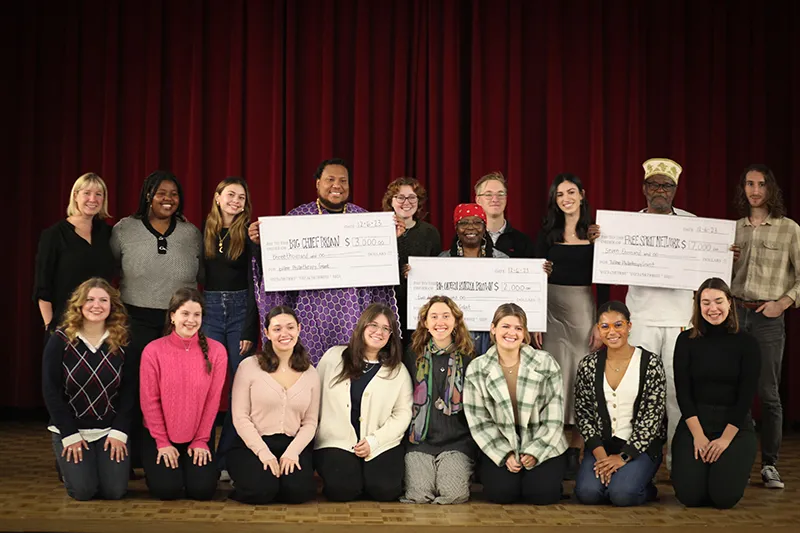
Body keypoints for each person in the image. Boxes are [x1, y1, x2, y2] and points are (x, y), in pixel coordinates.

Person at [248, 158, 402, 364]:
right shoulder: (296, 218)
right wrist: (261, 243)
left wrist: (391, 240)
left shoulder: (364, 219)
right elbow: (277, 268)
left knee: (348, 371)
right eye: (330, 179)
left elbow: (379, 272)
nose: (337, 185)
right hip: (308, 313)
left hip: (352, 313)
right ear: (318, 183)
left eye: (343, 181)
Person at [594, 158, 693, 473]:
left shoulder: (692, 223)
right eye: (654, 185)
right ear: (644, 189)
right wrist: (600, 239)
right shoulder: (625, 225)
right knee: (638, 393)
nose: (660, 191)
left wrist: (724, 253)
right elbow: (606, 261)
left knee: (678, 393)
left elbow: (708, 264)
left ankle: (680, 462)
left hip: (680, 319)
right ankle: (640, 461)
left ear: (675, 190)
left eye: (666, 185)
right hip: (642, 319)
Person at [111, 171, 203, 467]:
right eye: (161, 192)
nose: (168, 199)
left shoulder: (191, 233)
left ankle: (167, 453)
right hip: (135, 318)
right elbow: (108, 269)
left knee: (173, 388)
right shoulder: (125, 229)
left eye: (174, 194)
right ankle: (132, 456)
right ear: (147, 195)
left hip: (178, 323)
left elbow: (202, 275)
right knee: (136, 386)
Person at [533, 173, 609, 479]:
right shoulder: (546, 234)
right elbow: (535, 280)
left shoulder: (595, 236)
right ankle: (556, 449)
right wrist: (536, 318)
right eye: (560, 194)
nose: (566, 198)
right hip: (550, 312)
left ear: (582, 194)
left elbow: (602, 281)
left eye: (571, 192)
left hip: (582, 312)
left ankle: (577, 451)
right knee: (554, 379)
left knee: (580, 379)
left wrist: (600, 322)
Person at [730, 164, 798, 489]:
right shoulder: (734, 230)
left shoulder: (789, 230)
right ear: (743, 189)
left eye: (761, 184)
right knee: (737, 391)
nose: (755, 190)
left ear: (770, 189)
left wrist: (782, 304)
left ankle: (769, 464)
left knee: (768, 394)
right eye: (749, 184)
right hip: (736, 314)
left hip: (769, 318)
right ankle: (741, 460)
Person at [463, 303, 568, 505]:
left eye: (518, 328)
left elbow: (554, 417)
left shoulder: (545, 362)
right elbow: (479, 422)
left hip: (542, 441)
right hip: (500, 444)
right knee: (501, 494)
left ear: (524, 333)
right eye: (505, 326)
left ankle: (546, 480)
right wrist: (506, 453)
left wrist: (535, 451)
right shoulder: (477, 368)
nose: (512, 333)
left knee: (541, 495)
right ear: (493, 329)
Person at [42, 278, 134, 501]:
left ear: (112, 305)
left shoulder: (123, 340)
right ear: (79, 304)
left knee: (114, 492)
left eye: (103, 300)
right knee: (83, 492)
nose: (96, 305)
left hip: (108, 430)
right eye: (90, 300)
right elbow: (50, 390)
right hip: (73, 430)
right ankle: (69, 467)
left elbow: (130, 390)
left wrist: (119, 431)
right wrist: (69, 434)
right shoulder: (60, 339)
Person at [672, 278, 760, 509]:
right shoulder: (685, 340)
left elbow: (746, 397)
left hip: (734, 425)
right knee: (690, 497)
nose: (713, 309)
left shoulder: (747, 343)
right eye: (706, 302)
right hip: (695, 423)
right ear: (698, 306)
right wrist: (699, 437)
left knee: (723, 498)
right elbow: (683, 393)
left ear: (730, 303)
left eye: (719, 301)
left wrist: (724, 440)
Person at [314, 303, 412, 502]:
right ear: (362, 326)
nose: (379, 332)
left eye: (386, 328)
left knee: (385, 491)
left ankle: (366, 477)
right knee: (343, 491)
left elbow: (402, 414)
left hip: (381, 443)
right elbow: (314, 398)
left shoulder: (397, 370)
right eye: (373, 325)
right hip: (337, 442)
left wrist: (374, 441)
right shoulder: (334, 357)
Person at [573, 301, 666, 507]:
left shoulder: (650, 363)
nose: (612, 331)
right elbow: (583, 413)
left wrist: (623, 457)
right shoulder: (588, 365)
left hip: (639, 447)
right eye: (605, 326)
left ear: (629, 326)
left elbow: (652, 418)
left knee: (622, 495)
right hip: (602, 446)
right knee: (588, 493)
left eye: (618, 325)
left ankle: (644, 486)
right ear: (598, 329)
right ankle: (622, 478)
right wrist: (602, 457)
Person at [139, 288, 226, 500]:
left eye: (197, 314)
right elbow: (149, 402)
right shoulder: (153, 350)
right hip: (159, 436)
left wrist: (201, 440)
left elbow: (213, 402)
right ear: (172, 316)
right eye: (185, 313)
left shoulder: (216, 351)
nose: (191, 320)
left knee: (202, 491)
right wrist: (162, 442)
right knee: (167, 490)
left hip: (197, 436)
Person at [227, 306, 320, 504]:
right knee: (261, 492)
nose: (284, 334)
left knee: (298, 494)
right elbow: (240, 417)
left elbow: (310, 422)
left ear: (299, 329)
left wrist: (293, 452)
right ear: (267, 332)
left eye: (290, 327)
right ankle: (251, 481)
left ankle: (280, 482)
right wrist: (263, 453)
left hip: (292, 444)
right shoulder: (249, 367)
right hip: (252, 444)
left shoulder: (311, 373)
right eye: (277, 329)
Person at [202, 177, 259, 480]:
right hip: (209, 310)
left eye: (241, 197)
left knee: (240, 389)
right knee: (207, 385)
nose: (236, 201)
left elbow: (255, 285)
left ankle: (225, 458)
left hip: (240, 311)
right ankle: (203, 452)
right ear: (218, 197)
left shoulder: (249, 234)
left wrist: (251, 329)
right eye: (231, 195)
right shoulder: (203, 232)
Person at [402, 296, 476, 504]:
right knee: (419, 495)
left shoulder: (469, 357)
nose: (440, 322)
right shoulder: (412, 355)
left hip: (457, 441)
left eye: (446, 316)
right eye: (433, 317)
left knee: (453, 495)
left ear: (455, 321)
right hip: (420, 441)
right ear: (425, 323)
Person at [34, 173, 115, 336]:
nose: (93, 199)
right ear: (75, 196)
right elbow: (43, 287)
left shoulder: (108, 233)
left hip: (102, 325)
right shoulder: (54, 235)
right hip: (66, 325)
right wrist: (51, 328)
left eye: (98, 194)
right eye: (87, 193)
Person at [382, 177, 441, 337]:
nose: (406, 202)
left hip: (420, 307)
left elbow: (438, 269)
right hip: (386, 303)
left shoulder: (430, 232)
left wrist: (421, 273)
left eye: (412, 197)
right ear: (391, 201)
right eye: (400, 197)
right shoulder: (379, 229)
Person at [473, 171, 536, 257]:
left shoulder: (523, 241)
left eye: (500, 194)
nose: (495, 199)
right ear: (478, 200)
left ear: (506, 198)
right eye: (488, 195)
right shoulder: (468, 239)